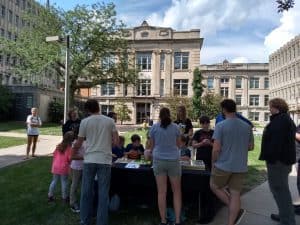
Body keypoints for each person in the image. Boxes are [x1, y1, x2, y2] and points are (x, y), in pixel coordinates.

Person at [73, 99, 118, 225]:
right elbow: (115, 141)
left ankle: (85, 220)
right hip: (104, 160)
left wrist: (72, 150)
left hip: (89, 160)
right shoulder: (109, 121)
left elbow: (79, 142)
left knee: (86, 192)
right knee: (103, 193)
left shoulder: (84, 122)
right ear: (98, 107)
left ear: (87, 110)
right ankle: (101, 221)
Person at [210, 99, 254, 225]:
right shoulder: (247, 126)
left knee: (214, 186)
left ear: (224, 110)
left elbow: (216, 149)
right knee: (235, 194)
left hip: (223, 165)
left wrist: (213, 163)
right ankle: (232, 220)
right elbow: (251, 147)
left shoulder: (220, 126)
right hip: (240, 166)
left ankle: (234, 208)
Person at [259, 98, 296, 225]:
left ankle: (288, 220)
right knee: (281, 190)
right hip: (281, 162)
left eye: (270, 106)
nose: (269, 109)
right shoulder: (283, 119)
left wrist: (271, 159)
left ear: (276, 107)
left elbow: (277, 143)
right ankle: (284, 215)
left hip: (278, 162)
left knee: (280, 191)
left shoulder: (281, 120)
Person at [149, 107, 182, 225]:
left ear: (159, 116)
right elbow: (179, 145)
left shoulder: (154, 128)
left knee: (161, 192)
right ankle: (177, 220)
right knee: (176, 192)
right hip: (173, 160)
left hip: (159, 160)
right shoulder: (176, 127)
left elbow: (151, 147)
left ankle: (163, 220)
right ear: (169, 115)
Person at [48, 131, 74, 203]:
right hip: (64, 167)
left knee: (54, 181)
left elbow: (54, 155)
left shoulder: (59, 146)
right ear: (71, 140)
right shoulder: (69, 148)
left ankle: (50, 195)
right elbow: (70, 158)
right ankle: (64, 197)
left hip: (55, 166)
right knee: (64, 182)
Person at [69, 129, 86, 213]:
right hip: (76, 167)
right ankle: (73, 203)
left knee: (84, 185)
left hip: (85, 167)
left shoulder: (85, 140)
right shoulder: (76, 142)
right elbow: (71, 157)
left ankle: (83, 202)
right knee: (74, 185)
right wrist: (84, 157)